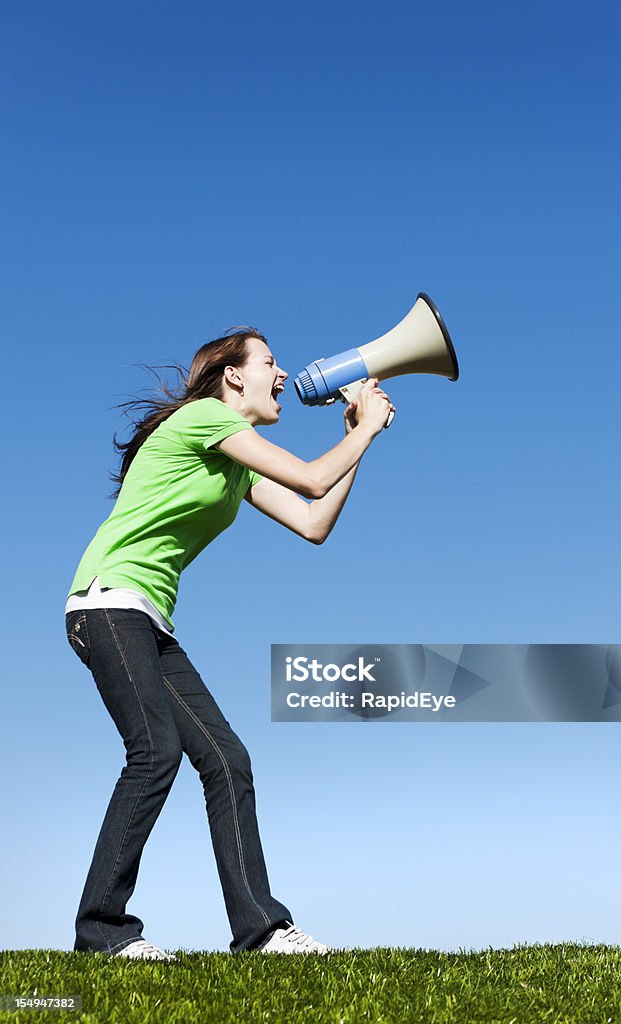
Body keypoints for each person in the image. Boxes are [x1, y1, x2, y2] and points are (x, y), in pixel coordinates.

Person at [64, 327, 393, 961]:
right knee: (155, 752)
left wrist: (359, 439)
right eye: (270, 363)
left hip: (147, 620)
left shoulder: (235, 460)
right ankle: (101, 934)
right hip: (106, 603)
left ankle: (262, 930)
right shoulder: (204, 417)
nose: (281, 375)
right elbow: (310, 478)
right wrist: (363, 428)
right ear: (234, 376)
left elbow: (313, 519)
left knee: (226, 758)